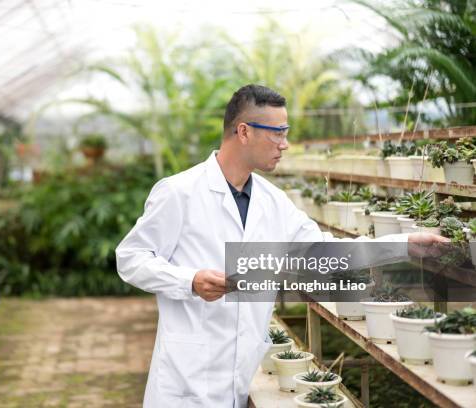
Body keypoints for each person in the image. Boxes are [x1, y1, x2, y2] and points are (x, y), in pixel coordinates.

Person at [115, 84, 449, 407]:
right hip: (186, 382)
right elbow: (131, 258)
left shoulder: (274, 202)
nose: (285, 144)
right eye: (278, 132)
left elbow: (326, 252)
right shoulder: (179, 192)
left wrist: (405, 244)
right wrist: (189, 281)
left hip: (238, 377)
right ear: (243, 132)